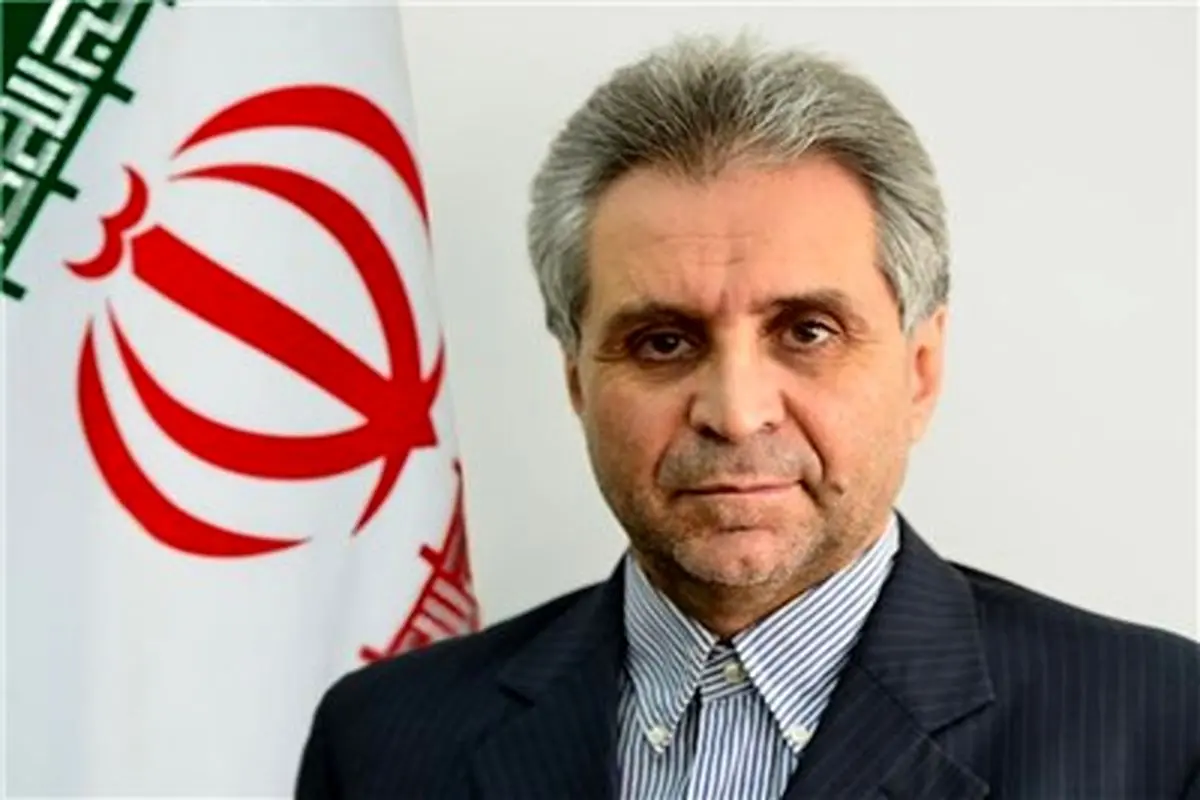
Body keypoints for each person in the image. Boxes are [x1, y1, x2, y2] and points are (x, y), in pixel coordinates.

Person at [294, 34, 1199, 800]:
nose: (735, 412)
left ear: (921, 371)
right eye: (661, 342)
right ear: (576, 381)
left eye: (807, 331)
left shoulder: (1161, 730)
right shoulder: (383, 741)